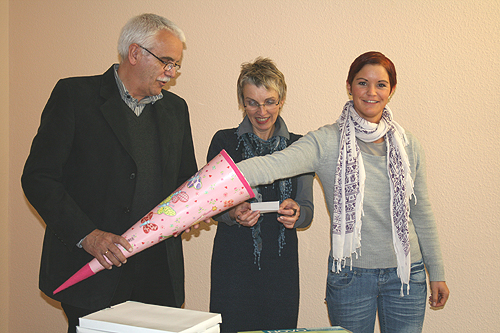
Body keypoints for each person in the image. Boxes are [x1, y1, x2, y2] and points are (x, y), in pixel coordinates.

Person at [236, 52, 449, 333]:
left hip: (408, 276)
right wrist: (207, 186)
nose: (371, 92)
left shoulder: (409, 145)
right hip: (351, 277)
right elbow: (273, 165)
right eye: (362, 83)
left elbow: (421, 212)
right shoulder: (326, 141)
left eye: (381, 84)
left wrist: (438, 273)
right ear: (349, 86)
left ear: (392, 90)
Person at [21, 14, 198, 333]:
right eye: (166, 62)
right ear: (135, 53)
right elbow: (39, 178)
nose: (171, 73)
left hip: (157, 277)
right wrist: (87, 235)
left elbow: (186, 182)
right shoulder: (74, 96)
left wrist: (203, 209)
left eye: (175, 65)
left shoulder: (176, 109)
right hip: (92, 271)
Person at [207, 57, 314, 332]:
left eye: (269, 101)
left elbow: (307, 208)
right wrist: (233, 212)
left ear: (282, 100)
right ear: (242, 102)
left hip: (281, 270)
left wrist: (297, 214)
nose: (261, 111)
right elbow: (210, 205)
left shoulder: (299, 146)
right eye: (252, 102)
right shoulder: (224, 142)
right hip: (232, 267)